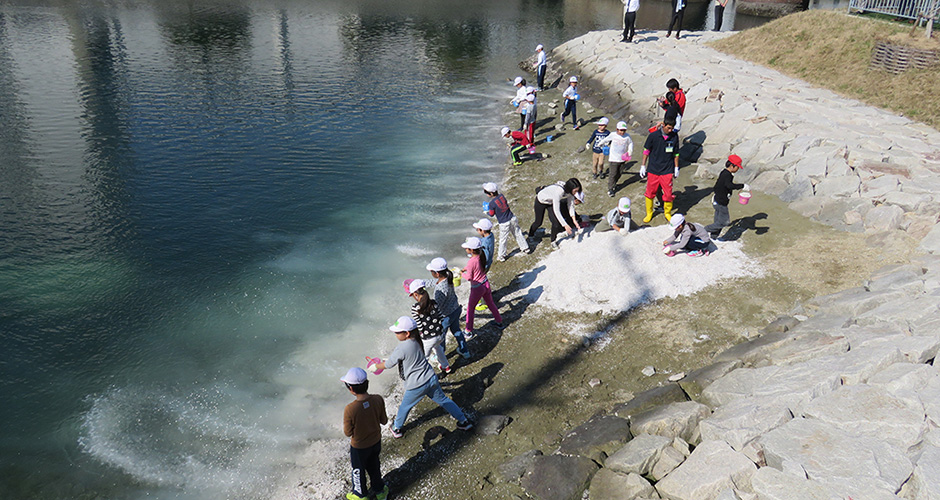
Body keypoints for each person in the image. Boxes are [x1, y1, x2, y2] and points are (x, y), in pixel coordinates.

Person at [366, 316, 473, 438]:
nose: (395, 334)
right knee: (444, 400)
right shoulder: (418, 340)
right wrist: (390, 359)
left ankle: (397, 428)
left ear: (406, 333)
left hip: (417, 384)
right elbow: (406, 357)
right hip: (431, 378)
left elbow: (389, 364)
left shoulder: (402, 347)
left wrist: (376, 366)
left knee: (404, 407)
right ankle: (464, 421)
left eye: (397, 332)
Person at [341, 367, 389, 500]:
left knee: (358, 470)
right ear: (367, 383)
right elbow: (384, 421)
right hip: (376, 441)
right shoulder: (378, 399)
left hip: (359, 447)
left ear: (351, 389)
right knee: (374, 466)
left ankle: (360, 495)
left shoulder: (350, 409)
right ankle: (380, 491)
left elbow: (347, 432)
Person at [405, 279, 453, 376]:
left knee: (424, 357)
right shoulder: (434, 303)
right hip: (439, 335)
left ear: (415, 294)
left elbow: (419, 325)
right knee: (438, 349)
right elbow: (440, 316)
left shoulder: (415, 308)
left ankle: (423, 374)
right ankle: (445, 366)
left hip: (428, 339)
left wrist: (418, 337)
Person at [425, 257, 470, 359]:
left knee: (441, 337)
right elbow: (435, 282)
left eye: (431, 271)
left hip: (446, 316)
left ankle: (440, 355)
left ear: (437, 274)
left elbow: (437, 306)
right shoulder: (448, 278)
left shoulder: (439, 289)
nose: (430, 272)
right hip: (456, 309)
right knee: (457, 331)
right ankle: (464, 350)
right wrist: (422, 282)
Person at [460, 237, 504, 337]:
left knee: (470, 309)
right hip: (485, 283)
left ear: (471, 250)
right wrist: (465, 268)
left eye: (467, 248)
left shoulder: (471, 262)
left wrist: (461, 273)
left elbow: (469, 278)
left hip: (477, 288)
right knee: (490, 303)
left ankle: (468, 330)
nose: (465, 249)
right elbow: (476, 266)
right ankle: (499, 321)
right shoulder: (481, 255)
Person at [639, 119, 680, 223]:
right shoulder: (653, 136)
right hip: (653, 169)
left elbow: (676, 154)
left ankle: (667, 213)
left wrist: (676, 168)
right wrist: (643, 165)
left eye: (672, 128)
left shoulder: (674, 136)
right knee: (650, 193)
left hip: (667, 170)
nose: (670, 130)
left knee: (668, 194)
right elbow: (646, 150)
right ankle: (649, 213)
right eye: (668, 128)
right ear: (663, 125)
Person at [705, 155, 750, 239]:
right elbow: (729, 185)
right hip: (721, 203)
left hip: (717, 200)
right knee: (724, 222)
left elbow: (718, 186)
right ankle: (704, 230)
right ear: (732, 166)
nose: (738, 169)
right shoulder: (727, 175)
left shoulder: (725, 173)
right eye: (737, 167)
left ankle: (713, 238)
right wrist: (742, 186)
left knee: (718, 222)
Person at [483, 182, 530, 261]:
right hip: (512, 218)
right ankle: (525, 248)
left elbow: (491, 214)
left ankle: (501, 256)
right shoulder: (502, 196)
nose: (486, 194)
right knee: (517, 233)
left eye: (486, 192)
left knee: (503, 239)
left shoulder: (491, 203)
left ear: (491, 193)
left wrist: (486, 212)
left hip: (504, 222)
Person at [529, 178, 582, 245]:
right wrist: (565, 225)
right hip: (541, 201)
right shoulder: (559, 192)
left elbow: (570, 206)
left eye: (578, 191)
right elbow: (557, 211)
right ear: (570, 188)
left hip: (551, 202)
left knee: (556, 223)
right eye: (575, 191)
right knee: (538, 222)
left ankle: (553, 241)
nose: (576, 193)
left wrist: (574, 220)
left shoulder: (570, 193)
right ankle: (530, 235)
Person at [596, 121, 634, 197]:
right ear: (617, 129)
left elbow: (631, 143)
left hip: (622, 158)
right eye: (621, 130)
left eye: (624, 130)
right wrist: (600, 144)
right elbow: (606, 139)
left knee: (619, 173)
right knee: (612, 174)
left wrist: (630, 151)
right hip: (613, 158)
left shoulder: (627, 136)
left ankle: (614, 184)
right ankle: (610, 189)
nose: (622, 132)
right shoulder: (613, 135)